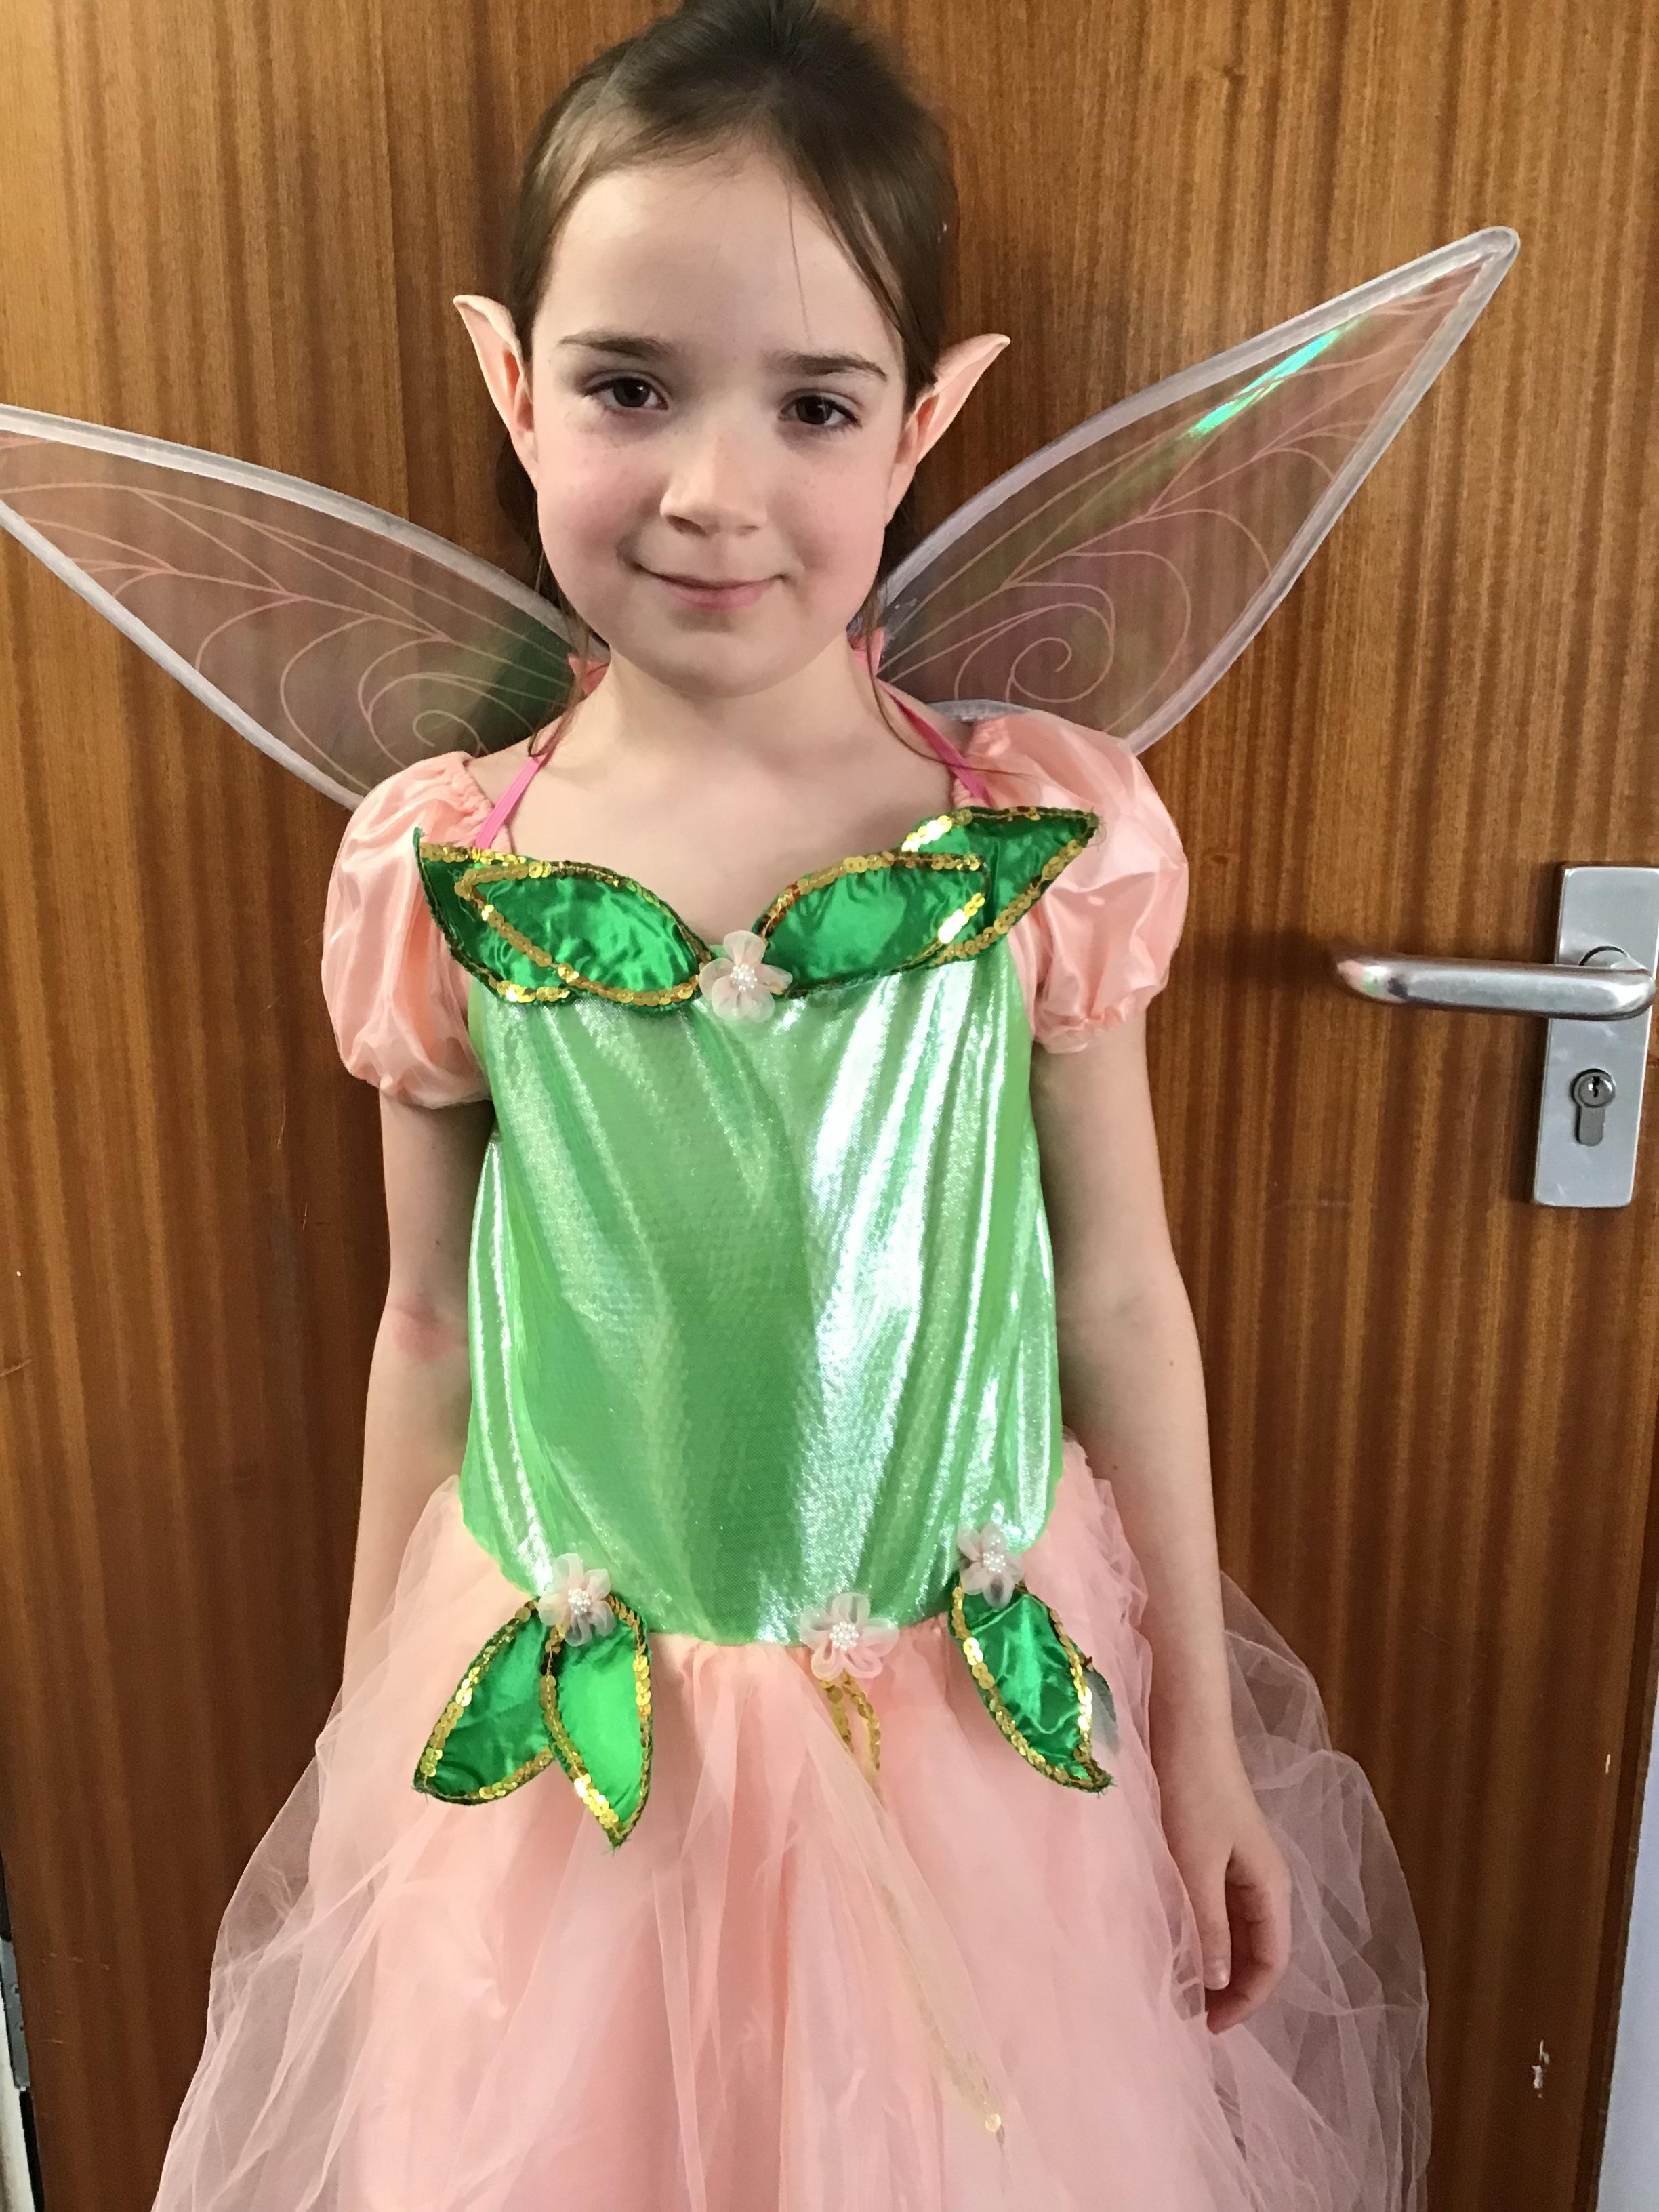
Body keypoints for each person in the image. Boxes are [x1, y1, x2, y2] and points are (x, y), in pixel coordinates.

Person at [152, 1, 1428, 2204]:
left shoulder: (1028, 843)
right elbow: (430, 1328)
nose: (714, 492)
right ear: (510, 383)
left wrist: (1203, 1741)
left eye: (814, 405)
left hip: (967, 1748)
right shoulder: (449, 868)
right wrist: (366, 1743)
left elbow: (1120, 1293)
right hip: (582, 1760)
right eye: (630, 388)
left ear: (927, 421)